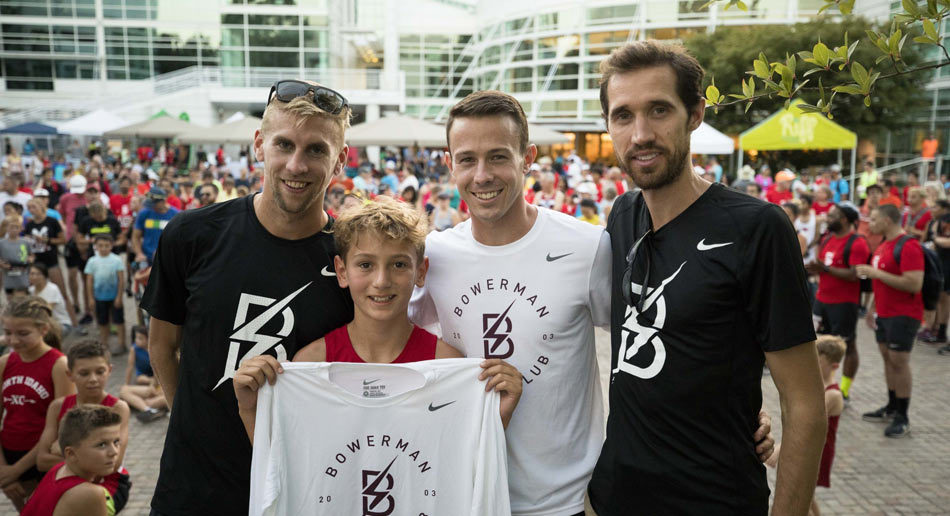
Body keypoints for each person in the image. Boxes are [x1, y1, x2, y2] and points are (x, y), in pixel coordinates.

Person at [410, 90, 775, 516]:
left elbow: (652, 340)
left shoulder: (588, 246)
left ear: (528, 158)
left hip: (564, 499)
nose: (483, 175)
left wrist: (737, 409)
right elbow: (393, 343)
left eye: (498, 157)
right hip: (464, 490)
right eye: (467, 159)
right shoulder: (434, 256)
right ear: (449, 163)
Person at [587, 41, 825, 516]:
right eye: (623, 115)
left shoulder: (757, 228)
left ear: (695, 114)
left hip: (714, 499)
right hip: (612, 495)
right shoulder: (624, 214)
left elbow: (805, 403)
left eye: (659, 110)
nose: (640, 134)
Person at [139, 80, 356, 515]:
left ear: (340, 161)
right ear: (259, 145)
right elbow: (162, 344)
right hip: (193, 488)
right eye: (284, 145)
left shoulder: (351, 258)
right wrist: (191, 423)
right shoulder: (192, 234)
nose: (296, 165)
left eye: (316, 150)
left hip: (304, 488)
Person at [234, 198, 522, 438]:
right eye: (366, 265)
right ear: (342, 271)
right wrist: (248, 408)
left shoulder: (448, 364)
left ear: (421, 271)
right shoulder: (311, 363)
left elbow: (465, 460)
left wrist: (500, 416)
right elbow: (288, 463)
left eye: (398, 264)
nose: (381, 281)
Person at [33, 340, 131, 513]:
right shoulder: (58, 406)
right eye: (84, 373)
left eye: (100, 372)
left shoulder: (118, 408)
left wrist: (59, 450)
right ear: (70, 375)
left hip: (110, 483)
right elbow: (41, 461)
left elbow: (112, 464)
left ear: (110, 370)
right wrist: (87, 458)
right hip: (70, 477)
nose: (93, 379)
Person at [856, 204, 923, 438]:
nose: (869, 223)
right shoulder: (884, 245)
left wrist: (876, 274)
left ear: (886, 220)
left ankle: (903, 416)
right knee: (887, 359)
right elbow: (880, 283)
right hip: (884, 313)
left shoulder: (909, 246)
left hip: (904, 314)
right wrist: (873, 308)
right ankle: (892, 405)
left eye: (873, 219)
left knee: (899, 361)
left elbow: (914, 283)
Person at [0, 296, 73, 511]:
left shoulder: (59, 365)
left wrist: (17, 470)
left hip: (43, 458)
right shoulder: (4, 363)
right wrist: (4, 470)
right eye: (8, 333)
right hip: (10, 455)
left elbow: (63, 424)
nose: (13, 340)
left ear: (43, 330)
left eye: (22, 334)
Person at [766, 335, 846, 516]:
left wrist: (779, 450)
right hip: (811, 446)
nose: (814, 366)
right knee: (807, 495)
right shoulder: (820, 389)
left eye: (820, 362)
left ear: (834, 366)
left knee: (801, 493)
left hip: (818, 451)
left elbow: (807, 423)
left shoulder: (832, 395)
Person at [806, 204, 869, 403]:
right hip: (822, 300)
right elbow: (826, 267)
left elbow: (853, 275)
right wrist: (814, 269)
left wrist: (824, 269)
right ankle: (822, 384)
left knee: (847, 345)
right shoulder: (828, 238)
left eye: (832, 216)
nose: (827, 218)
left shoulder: (857, 243)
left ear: (844, 219)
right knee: (817, 343)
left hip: (844, 304)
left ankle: (844, 389)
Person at [19, 405, 121, 516]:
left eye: (116, 442)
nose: (114, 452)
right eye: (101, 445)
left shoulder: (58, 469)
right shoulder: (90, 494)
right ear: (71, 453)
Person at [84, 235, 126, 354]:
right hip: (99, 297)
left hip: (114, 297)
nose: (103, 248)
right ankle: (104, 344)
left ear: (112, 246)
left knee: (119, 320)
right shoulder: (92, 261)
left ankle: (122, 344)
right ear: (95, 247)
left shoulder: (117, 260)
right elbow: (89, 281)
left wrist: (119, 297)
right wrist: (91, 298)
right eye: (100, 246)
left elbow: (121, 280)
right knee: (103, 321)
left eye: (107, 246)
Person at [119, 325, 167, 423]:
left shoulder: (154, 349)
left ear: (148, 339)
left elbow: (158, 372)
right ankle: (148, 410)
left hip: (161, 387)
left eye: (140, 338)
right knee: (124, 390)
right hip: (151, 384)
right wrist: (127, 383)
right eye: (136, 337)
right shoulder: (135, 349)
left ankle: (149, 407)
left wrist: (154, 385)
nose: (137, 340)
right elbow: (130, 367)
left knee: (154, 400)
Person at [131, 187, 178, 266]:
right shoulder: (144, 213)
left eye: (154, 204)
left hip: (168, 259)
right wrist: (139, 253)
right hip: (147, 258)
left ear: (163, 201)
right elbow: (135, 237)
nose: (151, 207)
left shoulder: (176, 215)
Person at [28, 264, 73, 334]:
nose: (34, 277)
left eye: (38, 274)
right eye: (32, 274)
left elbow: (46, 312)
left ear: (45, 276)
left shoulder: (52, 289)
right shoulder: (31, 290)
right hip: (42, 324)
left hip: (61, 324)